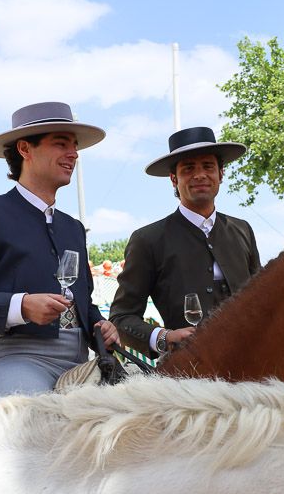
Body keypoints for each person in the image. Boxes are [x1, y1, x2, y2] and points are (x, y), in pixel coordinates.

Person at [0, 102, 119, 398]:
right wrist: (21, 306)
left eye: (74, 146)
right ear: (25, 149)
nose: (73, 154)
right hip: (18, 359)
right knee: (32, 423)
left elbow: (82, 303)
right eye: (61, 144)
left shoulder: (73, 228)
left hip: (82, 362)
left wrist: (101, 324)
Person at [110, 127, 261, 356]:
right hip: (188, 374)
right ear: (174, 179)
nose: (199, 175)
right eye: (188, 168)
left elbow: (261, 299)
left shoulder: (242, 230)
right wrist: (164, 337)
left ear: (221, 173)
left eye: (208, 166)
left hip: (253, 360)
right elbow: (121, 318)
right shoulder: (148, 240)